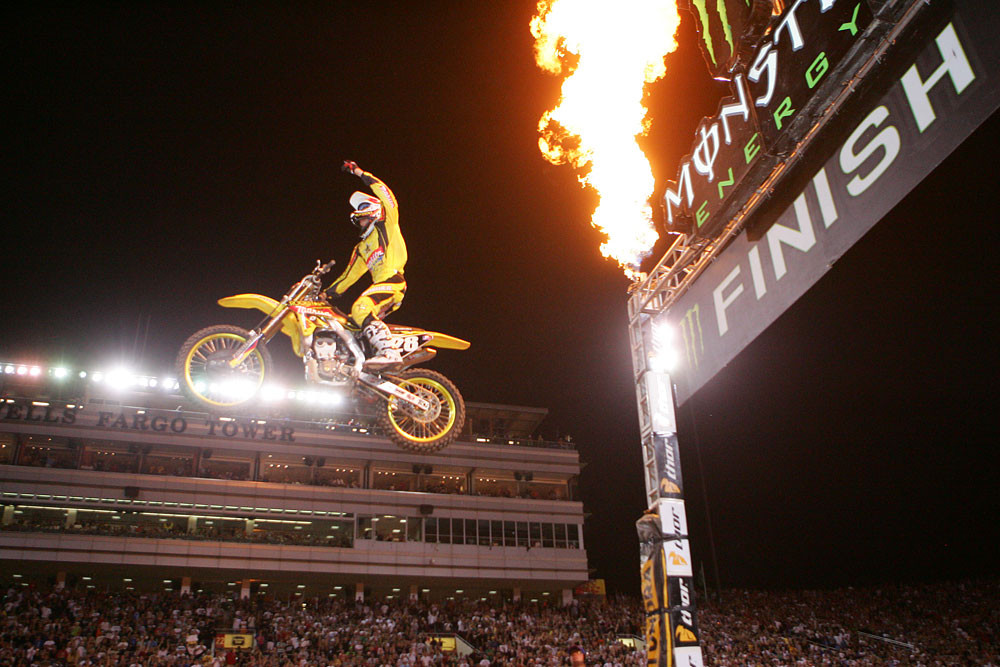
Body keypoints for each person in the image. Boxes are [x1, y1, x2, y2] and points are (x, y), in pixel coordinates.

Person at [326, 160, 408, 369]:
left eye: (361, 219)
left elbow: (386, 193)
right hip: (380, 285)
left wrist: (359, 172)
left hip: (394, 280)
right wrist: (327, 294)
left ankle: (389, 352)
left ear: (371, 214)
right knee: (351, 323)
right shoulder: (362, 248)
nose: (360, 224)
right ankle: (359, 365)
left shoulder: (387, 225)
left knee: (360, 307)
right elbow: (349, 276)